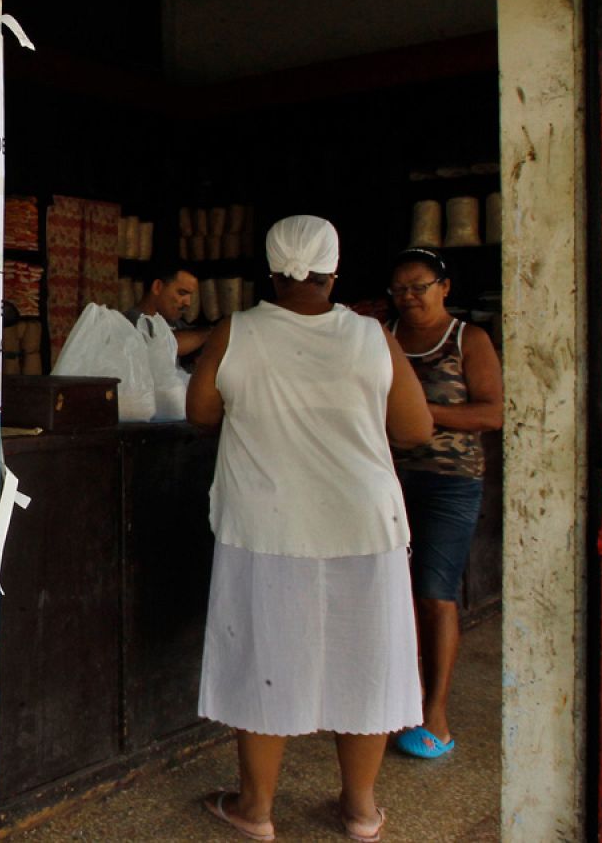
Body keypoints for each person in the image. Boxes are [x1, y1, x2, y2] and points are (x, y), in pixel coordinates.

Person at [187, 216, 432, 842]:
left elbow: (201, 412)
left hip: (268, 526)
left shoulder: (236, 331)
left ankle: (256, 810)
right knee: (365, 661)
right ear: (334, 271)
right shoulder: (373, 336)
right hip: (363, 525)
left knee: (264, 657)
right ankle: (358, 810)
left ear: (271, 270)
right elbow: (414, 429)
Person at [386, 248, 503, 760]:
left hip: (451, 483)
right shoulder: (382, 338)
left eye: (420, 286)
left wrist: (422, 411)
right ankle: (397, 699)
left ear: (445, 287)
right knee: (394, 595)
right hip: (388, 480)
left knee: (436, 594)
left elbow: (493, 413)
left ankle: (436, 709)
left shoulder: (467, 340)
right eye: (401, 289)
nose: (410, 296)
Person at [126, 267, 211, 358]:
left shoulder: (174, 323)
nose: (188, 303)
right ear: (157, 287)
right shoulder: (130, 322)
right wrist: (209, 333)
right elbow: (163, 346)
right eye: (182, 293)